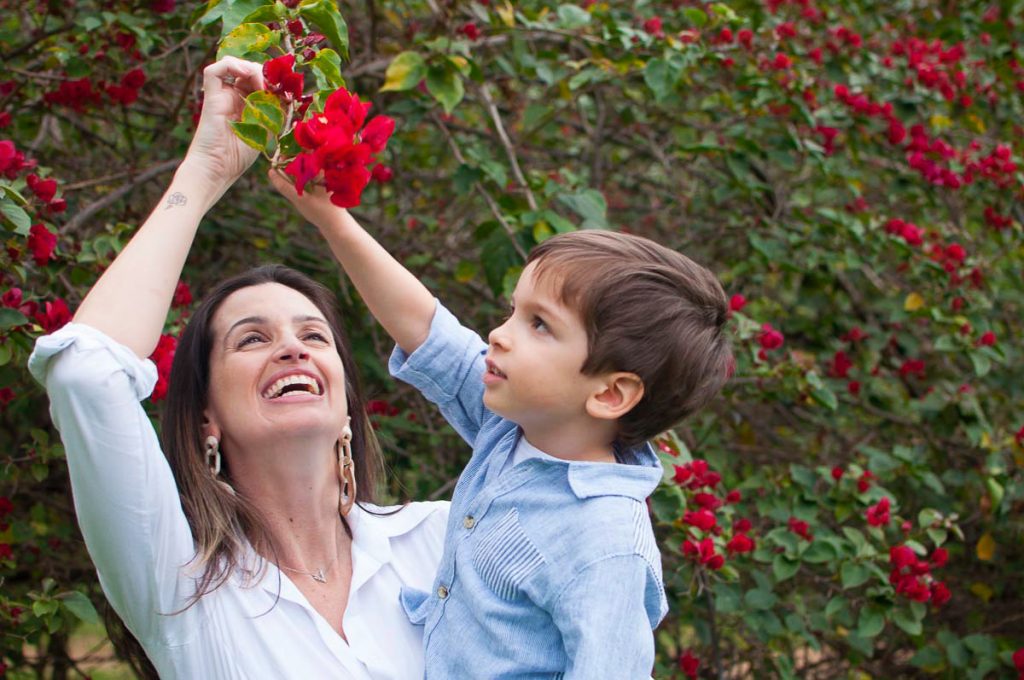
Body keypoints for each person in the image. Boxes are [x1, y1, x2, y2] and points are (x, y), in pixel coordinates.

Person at [28, 57, 447, 679]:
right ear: (206, 418)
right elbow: (85, 374)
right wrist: (205, 171)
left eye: (314, 335)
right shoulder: (182, 588)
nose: (293, 348)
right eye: (251, 339)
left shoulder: (443, 542)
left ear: (347, 403)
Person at [270, 171, 734, 676]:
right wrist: (332, 219)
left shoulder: (606, 545)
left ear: (608, 393)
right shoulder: (517, 426)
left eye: (539, 325)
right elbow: (427, 330)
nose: (499, 335)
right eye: (513, 312)